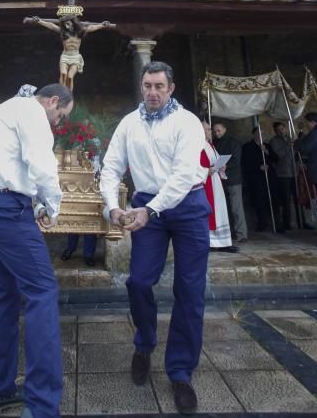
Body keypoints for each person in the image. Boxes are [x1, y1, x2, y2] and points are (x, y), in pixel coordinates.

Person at [100, 61, 209, 415]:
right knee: (139, 282)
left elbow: (181, 177)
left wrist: (150, 211)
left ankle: (180, 372)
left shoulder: (187, 122)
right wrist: (112, 207)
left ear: (171, 88)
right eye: (147, 85)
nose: (152, 92)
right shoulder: (129, 123)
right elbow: (112, 165)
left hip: (187, 204)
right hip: (147, 205)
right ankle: (144, 344)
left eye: (159, 86)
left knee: (189, 291)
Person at [0, 83, 74, 418]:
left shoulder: (5, 108)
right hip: (4, 207)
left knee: (5, 294)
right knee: (42, 291)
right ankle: (42, 405)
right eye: (60, 116)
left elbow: (14, 167)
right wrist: (53, 207)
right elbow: (41, 164)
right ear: (53, 100)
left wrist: (36, 202)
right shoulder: (31, 111)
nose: (57, 123)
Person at [24, 13, 114, 91]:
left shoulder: (80, 32)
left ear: (73, 23)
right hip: (65, 56)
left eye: (68, 23)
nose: (66, 26)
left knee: (70, 77)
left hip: (76, 58)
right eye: (65, 24)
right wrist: (39, 21)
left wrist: (102, 25)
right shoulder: (63, 32)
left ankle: (68, 93)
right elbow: (51, 26)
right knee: (63, 73)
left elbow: (92, 27)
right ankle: (61, 90)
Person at [201, 121, 237, 253]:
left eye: (209, 130)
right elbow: (194, 165)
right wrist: (207, 170)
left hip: (216, 181)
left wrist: (222, 166)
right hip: (207, 183)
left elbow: (215, 162)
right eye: (207, 130)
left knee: (220, 210)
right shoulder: (196, 146)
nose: (210, 132)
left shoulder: (210, 145)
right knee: (212, 212)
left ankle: (224, 242)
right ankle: (211, 242)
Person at [212, 122, 248, 243]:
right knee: (225, 208)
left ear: (225, 129)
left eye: (219, 130)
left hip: (233, 179)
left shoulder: (234, 142)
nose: (217, 133)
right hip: (221, 179)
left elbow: (236, 160)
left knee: (236, 207)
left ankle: (241, 233)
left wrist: (226, 166)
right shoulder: (214, 143)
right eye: (215, 131)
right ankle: (230, 232)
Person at [241, 127, 278, 232]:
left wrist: (266, 151)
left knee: (271, 200)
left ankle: (275, 223)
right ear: (254, 135)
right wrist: (258, 167)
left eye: (263, 134)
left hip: (269, 178)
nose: (262, 136)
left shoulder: (268, 146)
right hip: (256, 179)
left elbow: (276, 159)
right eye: (259, 134)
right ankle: (261, 224)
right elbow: (245, 163)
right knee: (259, 202)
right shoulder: (247, 147)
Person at [270, 122, 300, 230]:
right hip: (283, 174)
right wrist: (288, 145)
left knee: (298, 198)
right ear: (275, 131)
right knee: (286, 200)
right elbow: (279, 155)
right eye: (278, 130)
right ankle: (287, 223)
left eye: (282, 129)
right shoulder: (274, 141)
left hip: (294, 172)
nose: (281, 131)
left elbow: (298, 153)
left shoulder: (290, 138)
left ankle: (302, 221)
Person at [295, 112, 317, 206]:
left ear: (313, 122)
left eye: (307, 123)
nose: (307, 126)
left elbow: (305, 148)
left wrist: (297, 142)